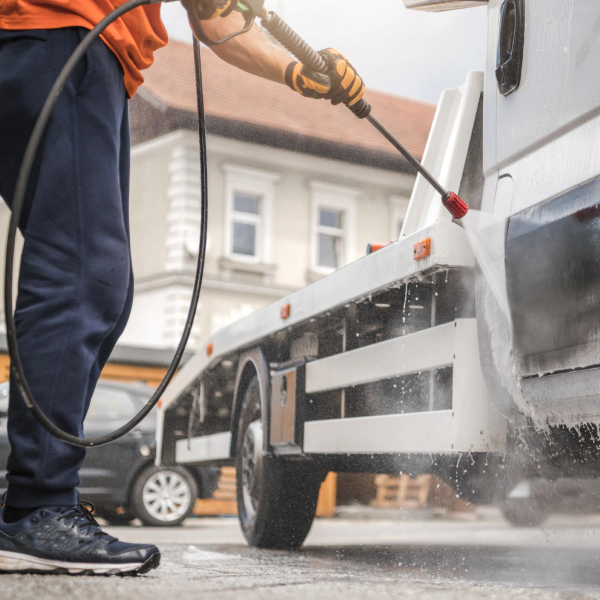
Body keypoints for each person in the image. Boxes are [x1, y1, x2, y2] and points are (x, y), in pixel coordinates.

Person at [0, 0, 364, 575]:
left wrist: (301, 73)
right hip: (61, 37)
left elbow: (218, 19)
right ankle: (36, 504)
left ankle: (37, 498)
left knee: (102, 286)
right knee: (80, 273)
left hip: (73, 51)